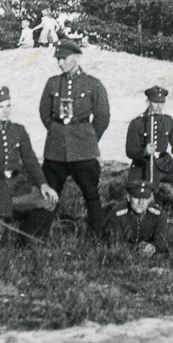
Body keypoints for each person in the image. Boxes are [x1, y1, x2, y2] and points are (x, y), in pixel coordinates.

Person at [0, 87, 59, 253]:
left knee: (49, 201)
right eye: (0, 107)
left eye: (8, 106)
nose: (5, 111)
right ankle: (0, 232)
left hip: (18, 186)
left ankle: (26, 239)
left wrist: (43, 185)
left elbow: (30, 160)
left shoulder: (18, 130)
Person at [39, 39, 110, 238]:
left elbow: (102, 116)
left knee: (91, 194)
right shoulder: (53, 83)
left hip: (84, 150)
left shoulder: (93, 84)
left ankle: (97, 236)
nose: (60, 63)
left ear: (77, 57)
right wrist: (56, 131)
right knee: (49, 194)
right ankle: (39, 233)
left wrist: (88, 138)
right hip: (55, 149)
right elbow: (44, 113)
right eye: (58, 59)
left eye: (64, 58)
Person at [125, 86, 173, 211]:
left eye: (162, 103)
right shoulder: (137, 123)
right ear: (148, 102)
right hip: (143, 165)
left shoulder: (168, 121)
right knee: (146, 188)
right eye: (155, 102)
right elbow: (130, 151)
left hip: (164, 164)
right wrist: (144, 151)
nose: (158, 107)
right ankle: (149, 211)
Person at [104, 180, 168, 256]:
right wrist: (136, 249)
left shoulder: (158, 214)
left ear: (150, 199)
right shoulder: (117, 214)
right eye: (136, 197)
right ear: (128, 198)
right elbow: (114, 243)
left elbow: (162, 240)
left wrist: (153, 247)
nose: (141, 202)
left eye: (145, 198)